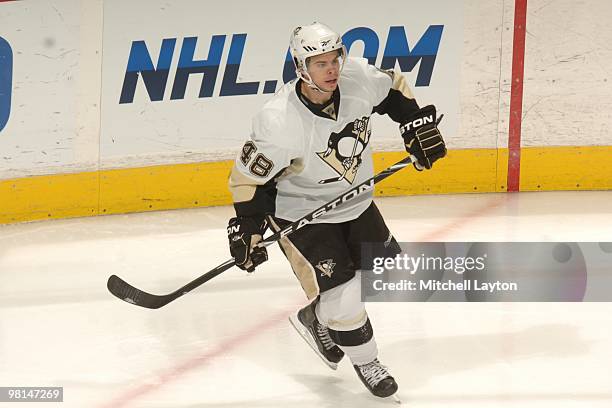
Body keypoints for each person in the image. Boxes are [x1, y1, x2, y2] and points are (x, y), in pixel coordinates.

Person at [227, 22, 446, 399]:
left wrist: (415, 125)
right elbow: (247, 180)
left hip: (357, 204)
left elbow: (393, 91)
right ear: (300, 67)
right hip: (303, 216)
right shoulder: (277, 120)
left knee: (377, 277)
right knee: (345, 300)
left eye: (334, 59)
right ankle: (368, 361)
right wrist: (247, 228)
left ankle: (315, 316)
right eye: (319, 63)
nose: (331, 70)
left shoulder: (357, 77)